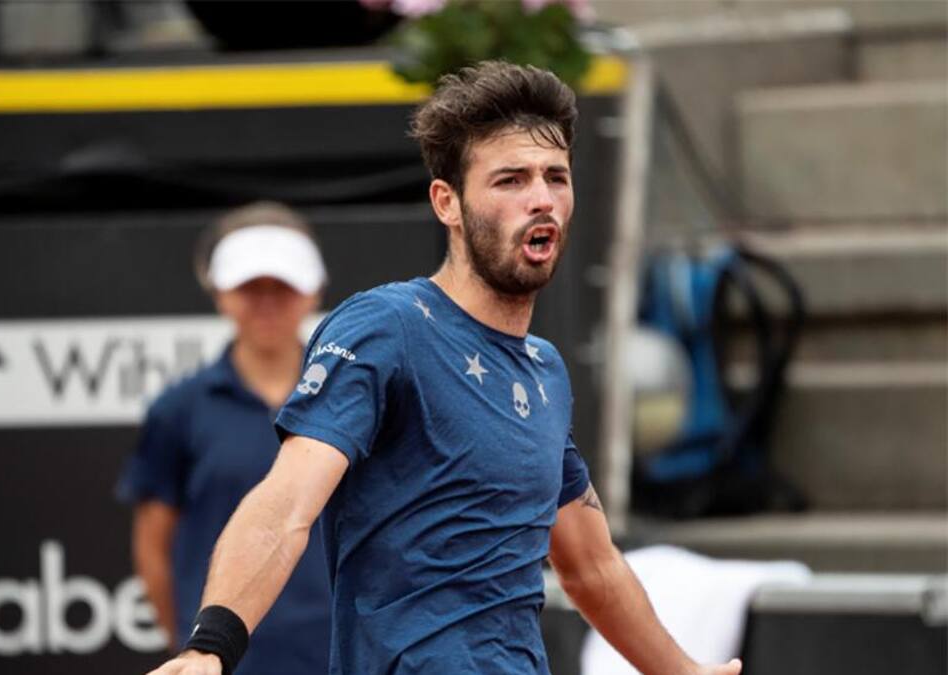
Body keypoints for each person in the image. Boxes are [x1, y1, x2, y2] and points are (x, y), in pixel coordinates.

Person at [145, 62, 744, 675]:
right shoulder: (387, 327)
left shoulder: (544, 370)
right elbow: (288, 500)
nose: (540, 199)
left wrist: (686, 673)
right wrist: (210, 646)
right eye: (510, 180)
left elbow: (591, 565)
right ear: (447, 203)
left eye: (555, 178)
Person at [117, 202, 332, 675]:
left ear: (313, 291)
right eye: (250, 287)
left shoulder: (352, 397)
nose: (267, 302)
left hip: (343, 658)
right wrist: (195, 647)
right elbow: (154, 548)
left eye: (284, 286)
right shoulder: (179, 409)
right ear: (220, 294)